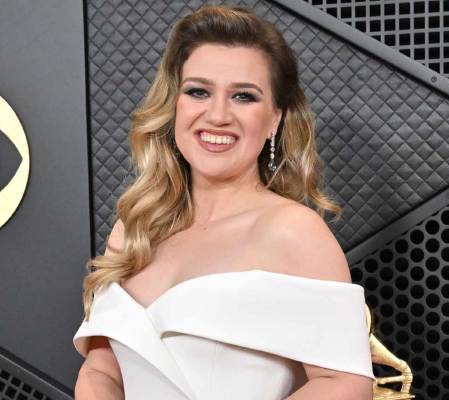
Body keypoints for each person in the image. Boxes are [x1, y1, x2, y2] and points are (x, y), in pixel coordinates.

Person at [73, 5, 374, 400]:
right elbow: (101, 371)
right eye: (198, 91)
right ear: (174, 104)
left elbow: (345, 385)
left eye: (243, 97)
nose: (217, 115)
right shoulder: (137, 225)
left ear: (275, 119)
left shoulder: (294, 231)